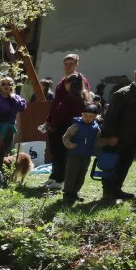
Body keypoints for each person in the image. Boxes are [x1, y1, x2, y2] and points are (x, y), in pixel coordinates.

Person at [98, 64, 136, 202]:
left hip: (135, 136)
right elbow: (110, 117)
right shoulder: (122, 93)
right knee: (112, 163)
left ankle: (117, 189)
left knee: (125, 163)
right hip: (118, 136)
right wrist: (111, 136)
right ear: (135, 76)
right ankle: (108, 193)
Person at [44, 54, 91, 190]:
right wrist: (49, 120)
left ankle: (60, 179)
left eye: (71, 64)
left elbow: (66, 107)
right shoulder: (63, 81)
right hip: (57, 121)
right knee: (55, 151)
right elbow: (56, 104)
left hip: (66, 123)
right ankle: (54, 176)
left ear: (76, 64)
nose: (68, 66)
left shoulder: (79, 81)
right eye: (66, 64)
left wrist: (54, 123)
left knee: (61, 153)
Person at [60, 103, 102, 203]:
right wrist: (69, 144)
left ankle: (75, 192)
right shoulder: (76, 126)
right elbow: (66, 137)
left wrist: (106, 142)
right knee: (71, 173)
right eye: (85, 116)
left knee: (81, 174)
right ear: (82, 114)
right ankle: (67, 194)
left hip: (86, 155)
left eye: (91, 116)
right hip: (74, 154)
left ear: (95, 116)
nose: (88, 118)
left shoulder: (96, 128)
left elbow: (96, 141)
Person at [0, 76, 26, 167]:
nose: (6, 86)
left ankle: (4, 174)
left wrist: (13, 97)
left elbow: (22, 107)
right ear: (0, 86)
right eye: (4, 84)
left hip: (9, 131)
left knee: (6, 153)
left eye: (9, 84)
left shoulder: (15, 98)